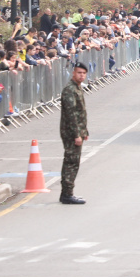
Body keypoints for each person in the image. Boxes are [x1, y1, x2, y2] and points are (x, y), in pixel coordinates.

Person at [59, 62, 89, 205]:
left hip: (77, 130)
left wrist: (85, 131)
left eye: (83, 73)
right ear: (73, 73)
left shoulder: (77, 88)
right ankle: (67, 193)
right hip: (71, 131)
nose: (81, 76)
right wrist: (77, 134)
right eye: (79, 73)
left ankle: (67, 192)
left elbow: (80, 112)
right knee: (71, 162)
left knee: (74, 162)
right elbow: (71, 114)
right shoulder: (69, 90)